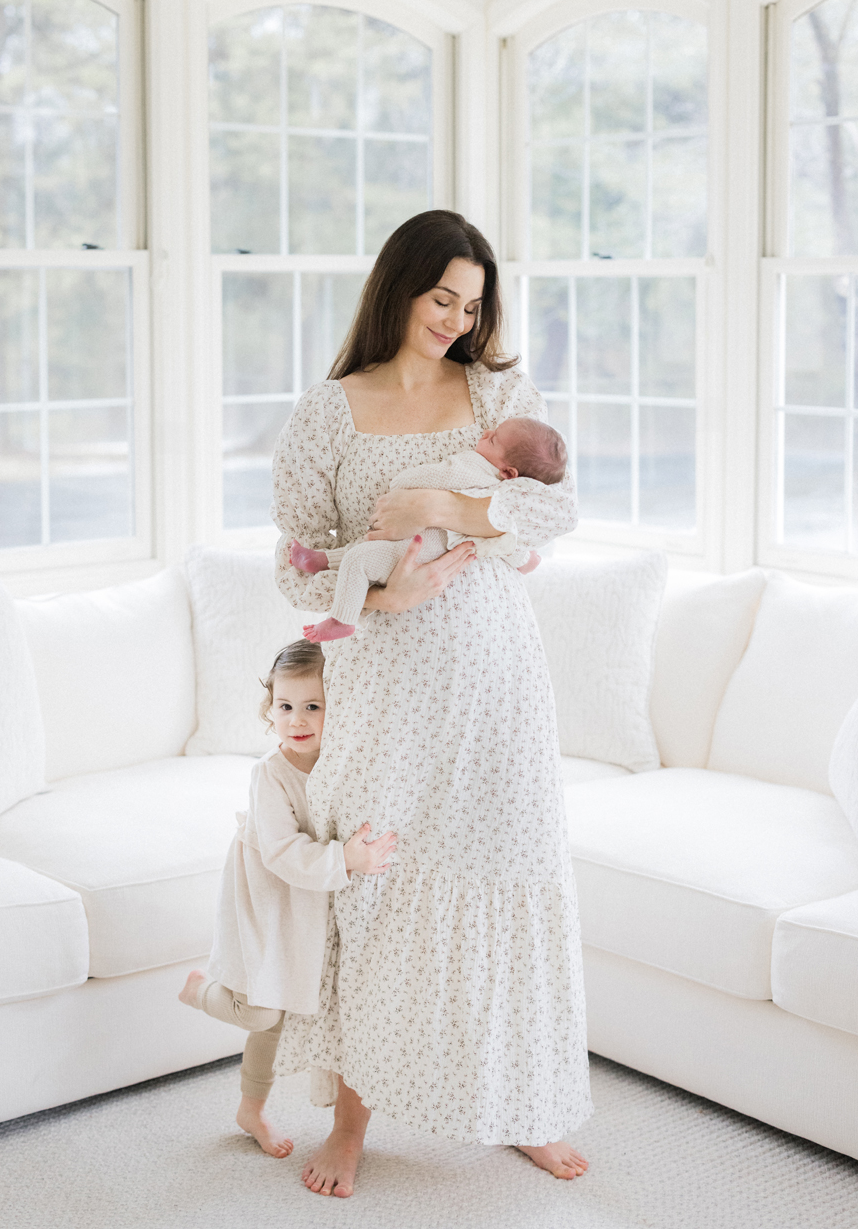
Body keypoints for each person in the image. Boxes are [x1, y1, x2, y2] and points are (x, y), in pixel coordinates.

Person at [271, 209, 592, 1199]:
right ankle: (353, 1124)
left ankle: (523, 1104)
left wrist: (437, 508)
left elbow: (554, 508)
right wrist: (384, 592)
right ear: (398, 289)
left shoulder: (496, 390)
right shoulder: (330, 408)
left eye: (472, 303)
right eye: (440, 297)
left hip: (497, 682)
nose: (455, 319)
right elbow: (293, 562)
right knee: (379, 890)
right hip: (383, 688)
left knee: (509, 872)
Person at [178, 639, 397, 1158]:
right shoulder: (270, 773)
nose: (296, 720)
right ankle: (201, 990)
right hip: (267, 900)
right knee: (258, 1012)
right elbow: (281, 851)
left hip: (307, 906)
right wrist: (346, 859)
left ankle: (250, 1110)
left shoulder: (340, 764)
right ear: (269, 709)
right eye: (285, 706)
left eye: (312, 706)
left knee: (281, 1012)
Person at [293, 416, 567, 642]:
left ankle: (343, 620)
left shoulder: (473, 467)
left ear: (509, 472)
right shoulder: (507, 500)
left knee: (361, 558)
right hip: (437, 554)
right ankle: (321, 560)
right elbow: (504, 541)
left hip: (421, 550)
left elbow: (437, 474)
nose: (486, 432)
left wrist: (403, 486)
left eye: (493, 439)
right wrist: (527, 560)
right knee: (371, 548)